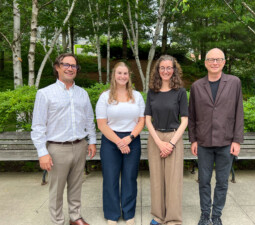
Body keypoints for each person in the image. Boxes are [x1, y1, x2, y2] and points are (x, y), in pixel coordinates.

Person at [31, 53, 97, 225]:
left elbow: (89, 119)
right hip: (57, 149)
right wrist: (42, 152)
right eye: (66, 64)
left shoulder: (82, 93)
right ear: (57, 67)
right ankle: (58, 221)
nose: (70, 68)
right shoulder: (45, 94)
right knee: (56, 190)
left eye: (73, 66)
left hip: (80, 145)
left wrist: (91, 141)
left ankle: (75, 217)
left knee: (76, 185)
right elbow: (38, 126)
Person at [188, 48, 244, 225]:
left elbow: (239, 112)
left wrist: (237, 140)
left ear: (224, 62)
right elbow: (192, 116)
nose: (214, 63)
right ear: (205, 63)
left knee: (222, 182)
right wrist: (193, 140)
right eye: (210, 59)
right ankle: (205, 214)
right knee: (203, 181)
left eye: (218, 59)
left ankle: (216, 215)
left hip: (226, 142)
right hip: (203, 142)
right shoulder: (197, 86)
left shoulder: (234, 83)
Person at [96, 62, 145, 225]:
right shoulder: (105, 97)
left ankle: (128, 213)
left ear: (129, 76)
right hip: (111, 141)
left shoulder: (137, 96)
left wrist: (129, 138)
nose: (122, 76)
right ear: (114, 75)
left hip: (132, 139)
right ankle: (112, 214)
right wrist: (119, 141)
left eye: (125, 73)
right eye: (119, 73)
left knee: (130, 177)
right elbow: (102, 124)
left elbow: (141, 121)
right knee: (110, 178)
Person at [145, 55, 188, 225]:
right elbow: (147, 119)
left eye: (169, 68)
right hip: (155, 138)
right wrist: (158, 142)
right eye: (162, 68)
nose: (165, 71)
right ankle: (158, 216)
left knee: (173, 181)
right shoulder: (152, 92)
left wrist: (170, 144)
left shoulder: (181, 92)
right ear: (158, 70)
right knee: (156, 179)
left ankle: (173, 219)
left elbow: (184, 120)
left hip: (174, 137)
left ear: (174, 70)